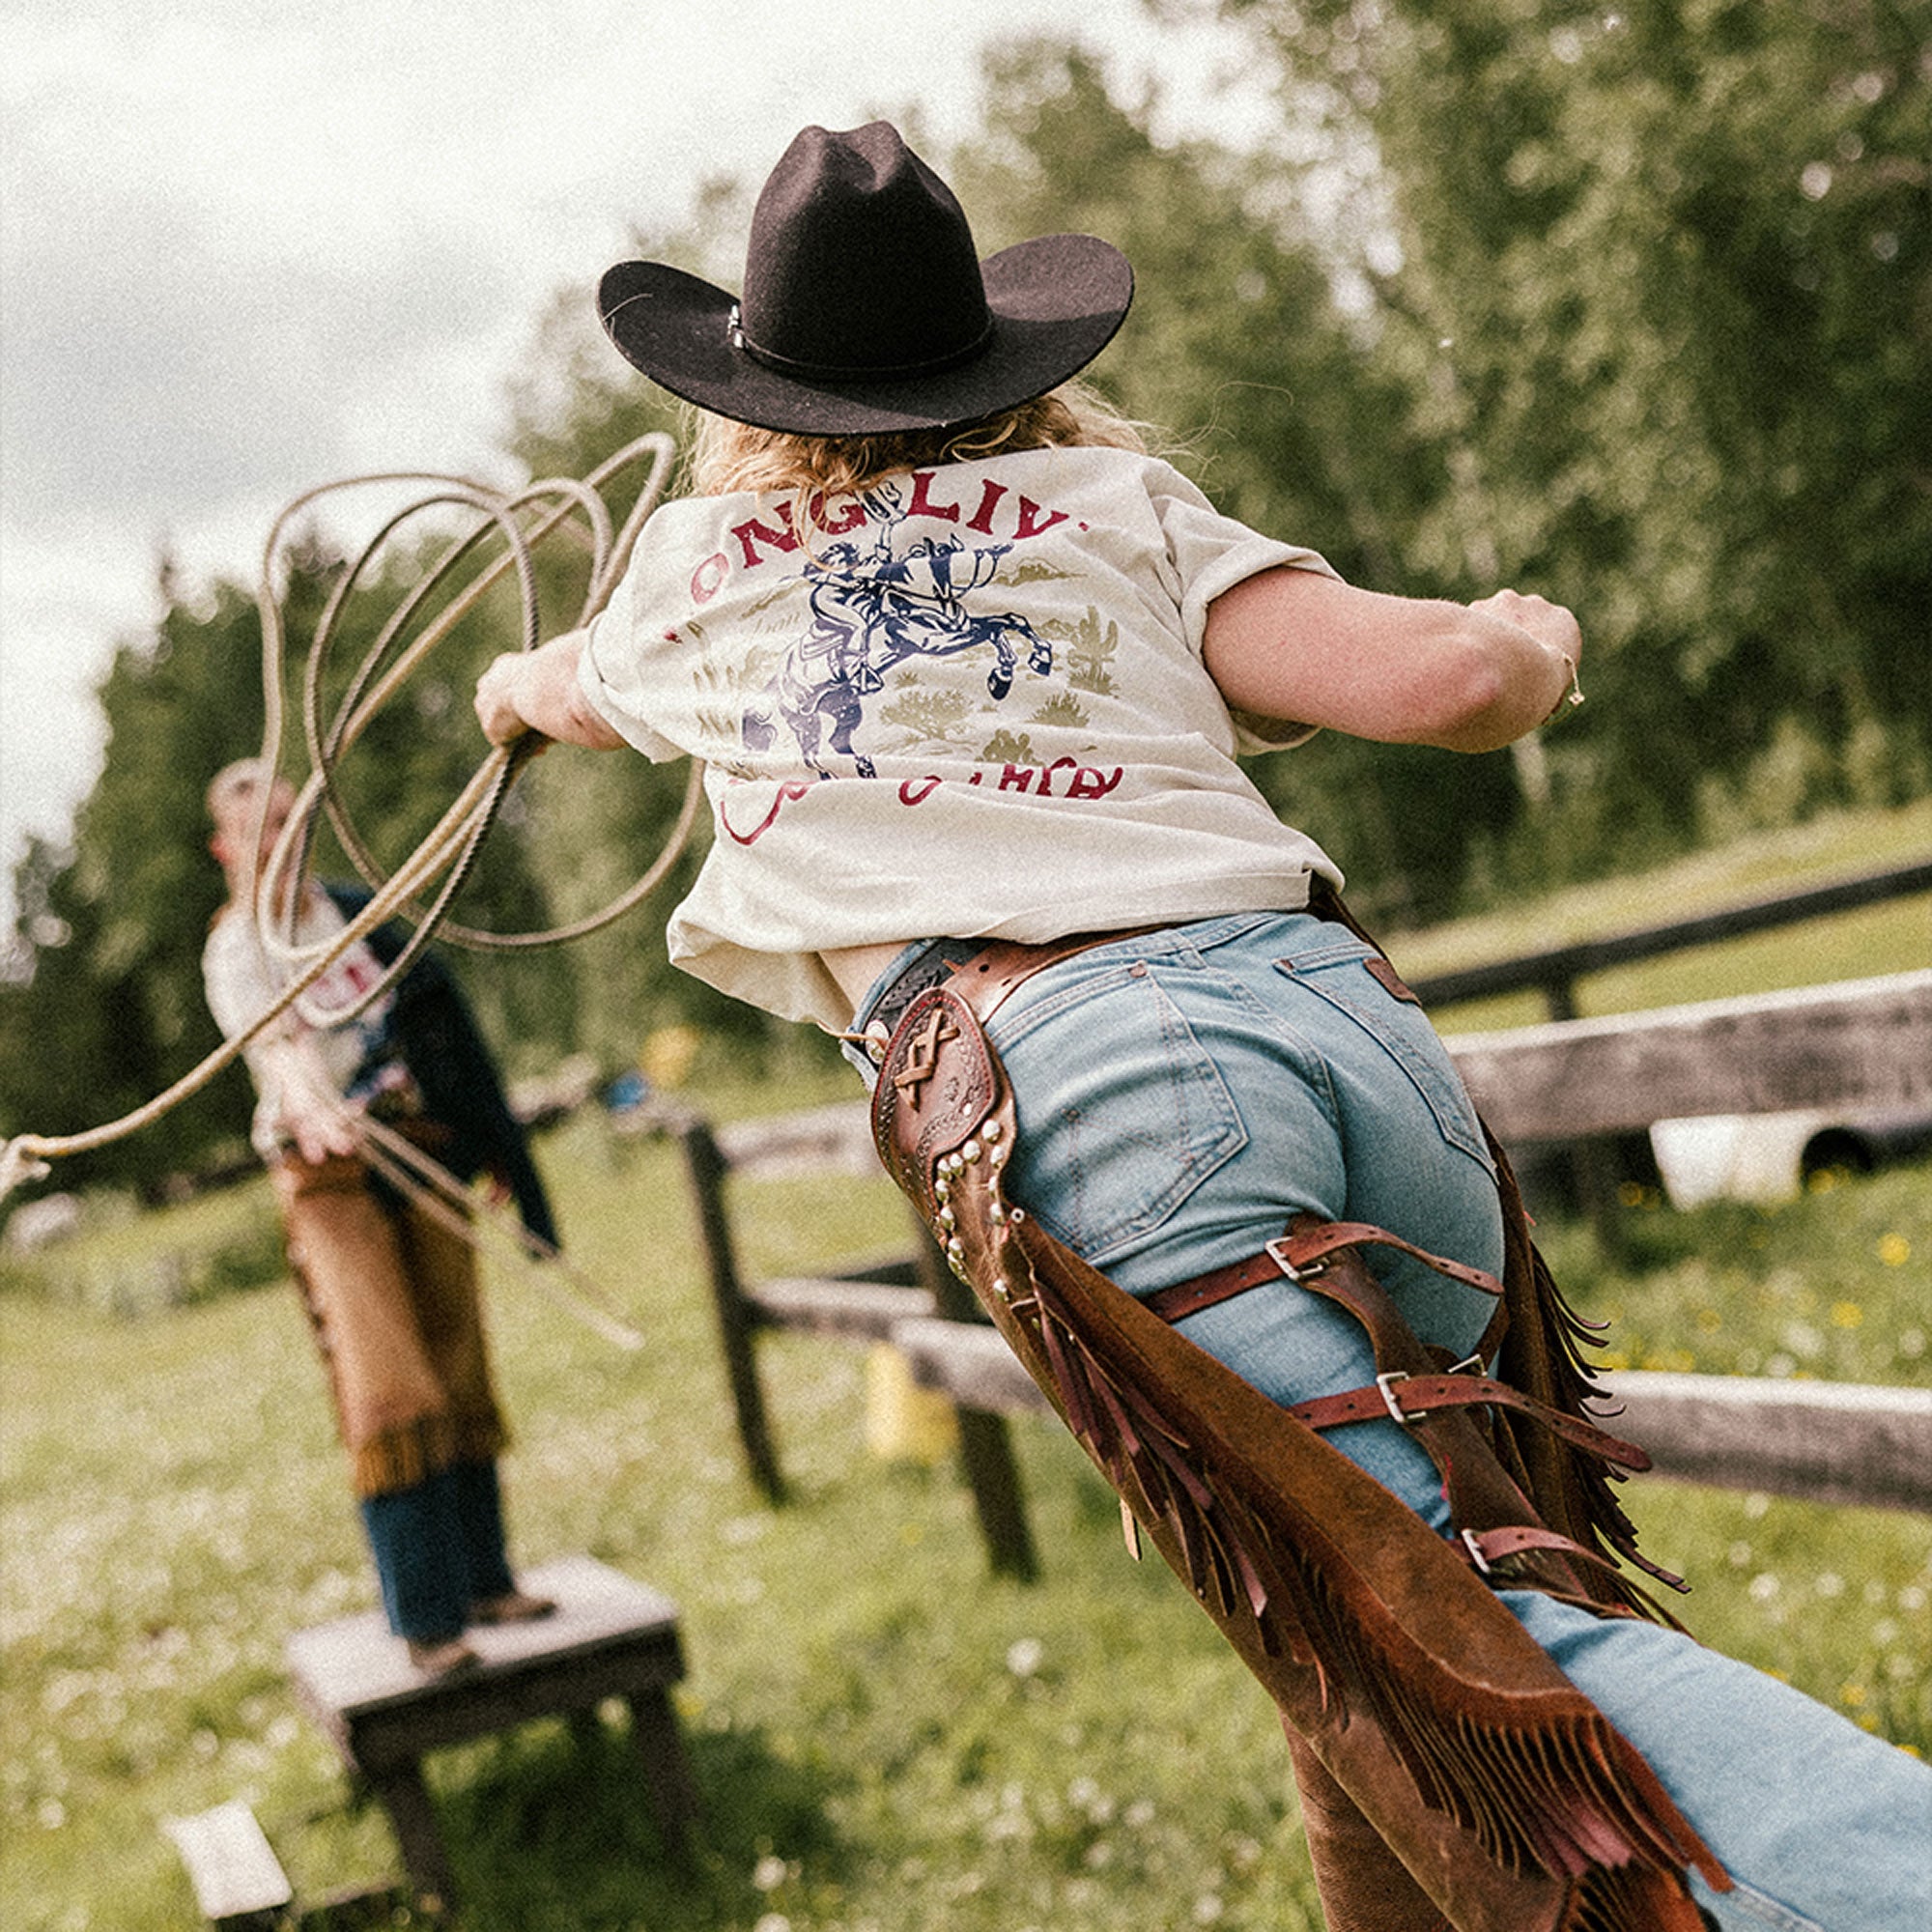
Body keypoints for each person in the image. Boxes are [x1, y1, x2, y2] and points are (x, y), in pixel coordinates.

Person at [472, 123, 1932, 1930]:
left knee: (1456, 1641)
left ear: (750, 398)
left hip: (1103, 1105)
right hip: (1347, 1039)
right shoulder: (1118, 509)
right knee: (1369, 1628)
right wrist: (1531, 641)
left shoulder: (694, 573)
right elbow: (1450, 679)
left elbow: (560, 690)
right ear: (1000, 364)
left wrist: (506, 693)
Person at [203, 759, 557, 1679]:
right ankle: (427, 1619)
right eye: (259, 827)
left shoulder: (362, 916)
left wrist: (502, 1157)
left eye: (289, 818)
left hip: (419, 1149)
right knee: (388, 1383)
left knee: (459, 1359)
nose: (280, 840)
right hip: (327, 1175)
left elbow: (448, 1034)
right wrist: (309, 1100)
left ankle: (486, 1582)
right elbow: (278, 1050)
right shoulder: (238, 953)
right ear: (226, 849)